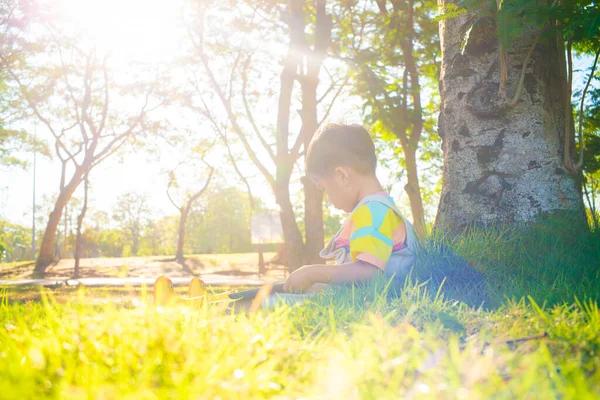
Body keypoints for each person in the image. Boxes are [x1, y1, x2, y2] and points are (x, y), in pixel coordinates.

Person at [263, 123, 418, 306]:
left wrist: (311, 272)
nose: (328, 198)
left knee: (269, 303)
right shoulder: (382, 208)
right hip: (375, 299)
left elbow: (369, 273)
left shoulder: (372, 211)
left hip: (374, 303)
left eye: (324, 188)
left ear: (342, 176)